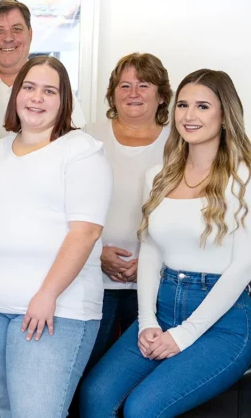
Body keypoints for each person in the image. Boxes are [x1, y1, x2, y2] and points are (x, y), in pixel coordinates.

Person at [80, 70, 251, 417]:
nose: (189, 115)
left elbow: (243, 267)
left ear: (224, 115)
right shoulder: (159, 175)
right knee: (96, 396)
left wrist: (184, 335)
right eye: (183, 105)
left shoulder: (246, 177)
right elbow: (152, 251)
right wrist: (147, 321)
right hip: (162, 308)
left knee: (142, 409)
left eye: (202, 106)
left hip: (221, 322)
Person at [0, 56, 112, 417]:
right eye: (29, 87)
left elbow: (85, 232)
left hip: (56, 309)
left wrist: (47, 294)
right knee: (6, 409)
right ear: (16, 95)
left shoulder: (82, 151)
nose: (37, 98)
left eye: (49, 91)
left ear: (64, 100)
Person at [81, 53, 172, 372]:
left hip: (156, 284)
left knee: (140, 373)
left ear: (162, 96)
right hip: (93, 278)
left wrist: (150, 263)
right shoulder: (87, 137)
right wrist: (97, 253)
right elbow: (64, 206)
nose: (133, 93)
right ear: (113, 93)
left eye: (143, 85)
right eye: (125, 85)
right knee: (88, 371)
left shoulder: (179, 142)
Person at [0, 0, 85, 139]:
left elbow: (77, 139)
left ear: (30, 34)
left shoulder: (54, 85)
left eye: (16, 29)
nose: (8, 38)